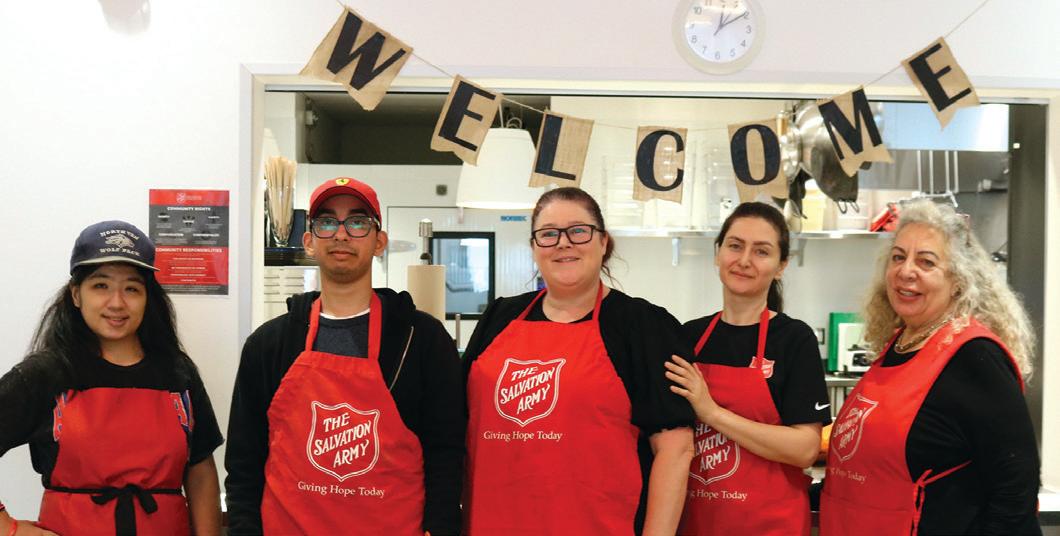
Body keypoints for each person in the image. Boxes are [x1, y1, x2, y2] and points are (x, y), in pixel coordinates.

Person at [225, 177, 465, 535]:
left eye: (357, 222)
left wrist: (440, 527)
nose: (341, 234)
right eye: (326, 222)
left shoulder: (422, 340)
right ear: (309, 241)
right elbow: (244, 463)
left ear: (379, 241)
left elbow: (446, 451)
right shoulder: (269, 344)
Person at [462, 186, 695, 535]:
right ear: (533, 247)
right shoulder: (499, 317)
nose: (563, 243)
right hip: (492, 523)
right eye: (548, 234)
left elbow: (675, 448)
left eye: (578, 231)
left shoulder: (644, 326)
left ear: (603, 242)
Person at [820, 198, 1041, 535]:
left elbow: (1015, 491)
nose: (906, 271)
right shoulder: (898, 346)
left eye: (926, 262)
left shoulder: (974, 357)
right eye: (898, 257)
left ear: (958, 280)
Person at [0, 220, 224, 536]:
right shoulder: (46, 373)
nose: (117, 303)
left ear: (147, 298)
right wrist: (9, 528)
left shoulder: (177, 373)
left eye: (131, 288)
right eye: (100, 286)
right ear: (76, 294)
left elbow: (200, 469)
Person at [665, 202, 830, 536]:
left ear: (781, 266)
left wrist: (712, 413)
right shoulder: (689, 337)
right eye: (735, 246)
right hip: (697, 523)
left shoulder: (793, 339)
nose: (743, 260)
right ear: (717, 253)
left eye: (761, 251)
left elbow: (805, 449)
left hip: (769, 525)